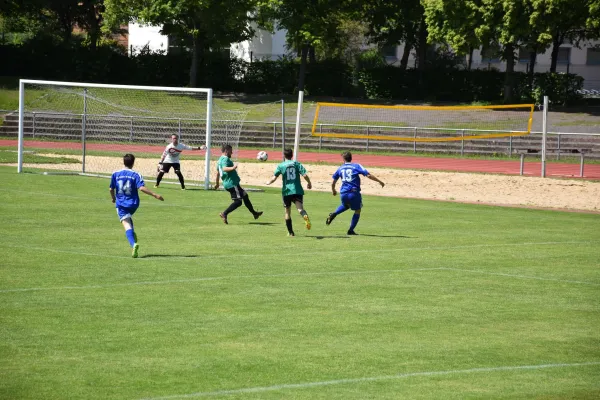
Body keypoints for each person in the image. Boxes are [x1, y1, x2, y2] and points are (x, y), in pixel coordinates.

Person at [110, 153, 164, 258]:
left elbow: (111, 189)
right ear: (133, 163)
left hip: (121, 204)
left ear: (123, 162)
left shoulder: (115, 174)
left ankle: (133, 244)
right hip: (133, 204)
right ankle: (133, 234)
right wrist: (155, 194)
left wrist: (113, 198)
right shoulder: (136, 175)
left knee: (126, 224)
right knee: (128, 218)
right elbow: (142, 188)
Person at [326, 151, 385, 235]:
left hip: (343, 193)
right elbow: (368, 175)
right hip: (353, 192)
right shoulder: (356, 166)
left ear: (343, 159)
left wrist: (333, 190)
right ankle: (351, 230)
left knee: (346, 205)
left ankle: (334, 214)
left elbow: (333, 182)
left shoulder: (340, 168)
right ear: (351, 158)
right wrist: (380, 181)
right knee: (357, 210)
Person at [266, 148, 312, 237]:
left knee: (287, 212)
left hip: (287, 191)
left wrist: (269, 182)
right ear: (292, 155)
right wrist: (309, 183)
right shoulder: (296, 164)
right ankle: (305, 216)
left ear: (284, 156)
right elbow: (305, 175)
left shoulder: (281, 166)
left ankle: (291, 233)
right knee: (300, 209)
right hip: (297, 190)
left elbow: (274, 177)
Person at [214, 144, 263, 224]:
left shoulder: (219, 160)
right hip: (232, 183)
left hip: (231, 183)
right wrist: (233, 168)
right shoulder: (225, 159)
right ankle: (224, 213)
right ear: (226, 151)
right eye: (230, 151)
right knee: (238, 202)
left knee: (245, 196)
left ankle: (254, 213)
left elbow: (217, 173)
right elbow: (224, 168)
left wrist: (217, 184)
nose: (232, 153)